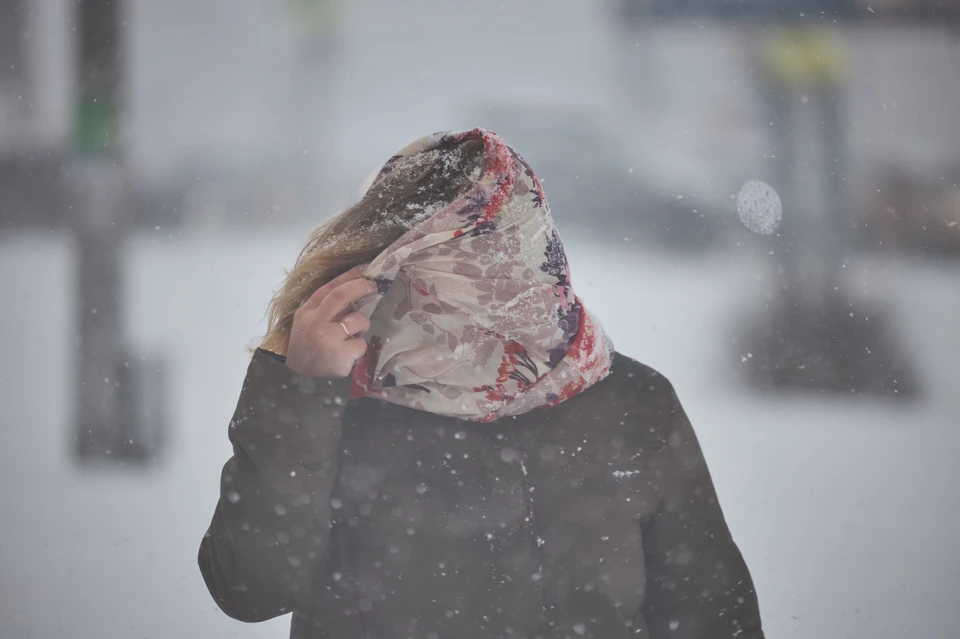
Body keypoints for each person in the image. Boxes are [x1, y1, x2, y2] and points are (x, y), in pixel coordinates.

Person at [198, 129, 764, 639]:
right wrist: (303, 390)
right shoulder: (338, 402)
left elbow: (711, 614)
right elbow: (250, 589)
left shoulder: (629, 403)